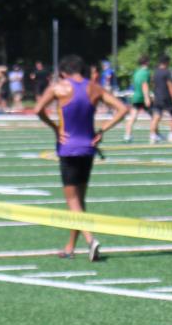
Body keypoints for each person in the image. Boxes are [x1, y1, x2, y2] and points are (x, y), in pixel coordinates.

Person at [34, 54, 128, 260]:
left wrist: (55, 127)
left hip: (68, 148)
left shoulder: (59, 87)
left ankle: (90, 239)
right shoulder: (94, 87)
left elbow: (38, 109)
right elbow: (123, 109)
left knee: (72, 200)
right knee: (79, 202)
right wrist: (102, 130)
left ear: (62, 72)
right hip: (88, 148)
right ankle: (70, 247)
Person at [148, 55, 172, 144]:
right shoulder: (167, 72)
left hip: (157, 97)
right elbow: (170, 86)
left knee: (156, 117)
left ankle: (152, 136)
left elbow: (153, 84)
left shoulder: (155, 72)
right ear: (167, 62)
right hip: (167, 98)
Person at [124, 55, 152, 141]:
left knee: (133, 117)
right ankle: (154, 134)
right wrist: (147, 98)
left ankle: (127, 135)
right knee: (155, 115)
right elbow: (144, 84)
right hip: (142, 97)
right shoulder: (146, 72)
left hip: (136, 96)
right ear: (147, 62)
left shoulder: (136, 72)